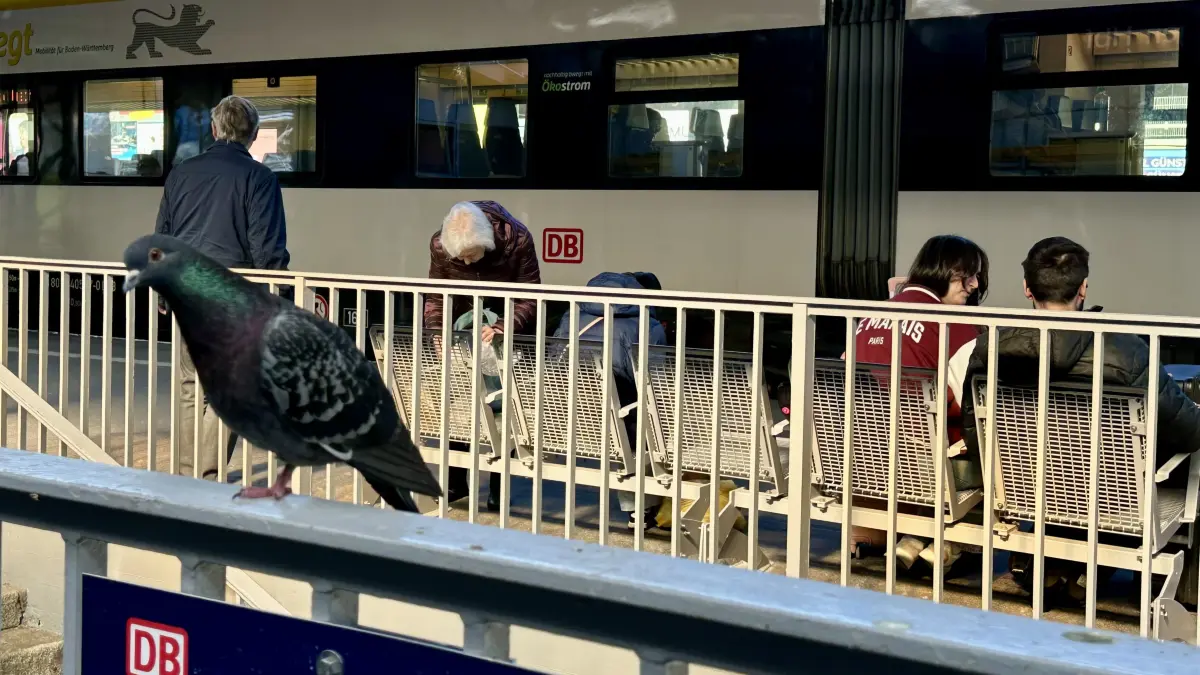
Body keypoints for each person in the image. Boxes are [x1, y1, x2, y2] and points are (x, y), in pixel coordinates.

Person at [959, 236, 1200, 604]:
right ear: (1083, 287)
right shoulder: (1126, 349)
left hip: (1030, 491)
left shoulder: (990, 348)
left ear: (1027, 289)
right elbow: (1189, 431)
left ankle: (1060, 564)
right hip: (1116, 499)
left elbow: (973, 429)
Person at [154, 94, 290, 481]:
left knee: (189, 383)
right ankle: (207, 475)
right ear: (254, 135)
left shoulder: (181, 173)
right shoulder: (259, 178)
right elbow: (267, 248)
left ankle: (188, 472)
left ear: (213, 130)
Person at [849, 234, 990, 569]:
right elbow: (972, 406)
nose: (973, 285)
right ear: (944, 270)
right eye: (968, 275)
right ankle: (952, 542)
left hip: (867, 458)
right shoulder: (956, 325)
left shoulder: (868, 318)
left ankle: (914, 541)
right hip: (930, 466)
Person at [425, 200, 541, 510]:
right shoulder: (440, 245)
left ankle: (498, 487)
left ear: (487, 242)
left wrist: (503, 326)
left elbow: (531, 296)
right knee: (458, 403)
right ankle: (455, 483)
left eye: (471, 254)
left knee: (503, 409)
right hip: (463, 329)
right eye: (459, 256)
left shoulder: (518, 239)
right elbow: (436, 296)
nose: (464, 261)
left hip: (505, 333)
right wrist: (438, 332)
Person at [554, 271, 667, 530]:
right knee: (647, 423)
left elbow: (554, 358)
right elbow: (657, 381)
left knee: (618, 413)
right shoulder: (647, 325)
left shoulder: (572, 315)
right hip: (620, 425)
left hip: (570, 417)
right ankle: (640, 510)